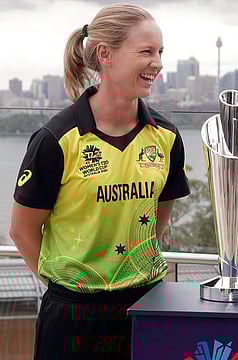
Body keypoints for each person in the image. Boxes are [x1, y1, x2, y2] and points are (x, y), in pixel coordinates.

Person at [9, 4, 190, 359]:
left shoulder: (166, 137)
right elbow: (22, 231)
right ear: (105, 55)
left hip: (145, 303)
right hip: (73, 315)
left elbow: (158, 219)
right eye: (146, 52)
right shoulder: (56, 139)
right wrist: (69, 285)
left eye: (160, 53)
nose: (158, 64)